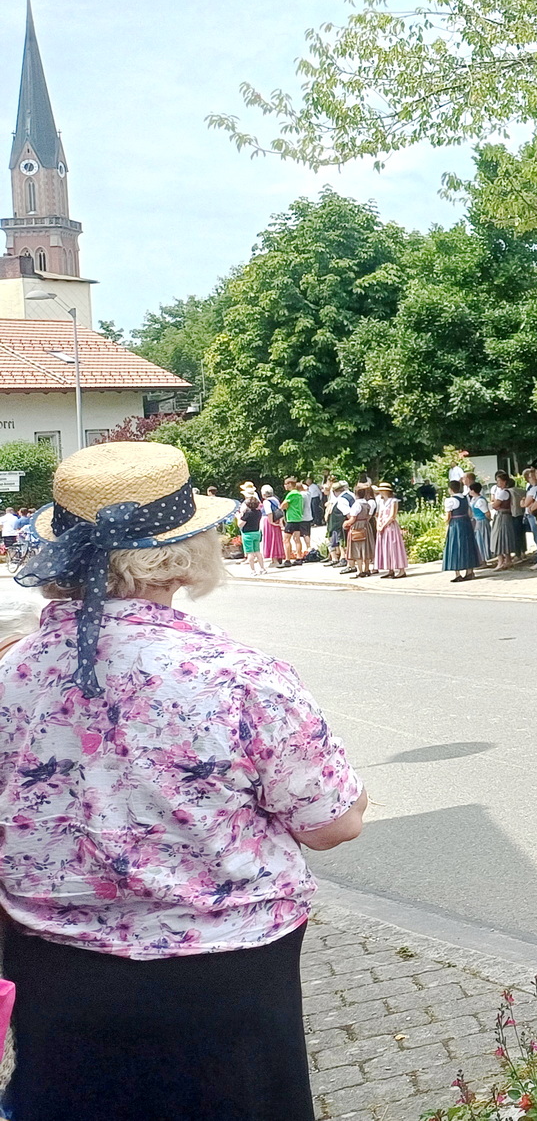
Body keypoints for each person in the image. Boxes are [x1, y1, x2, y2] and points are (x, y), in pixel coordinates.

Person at [0, 441, 366, 1120]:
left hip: (54, 971)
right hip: (223, 975)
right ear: (181, 553)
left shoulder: (11, 673)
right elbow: (333, 824)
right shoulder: (237, 675)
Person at [440, 477, 480, 583]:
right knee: (467, 545)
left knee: (455, 546)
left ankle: (457, 573)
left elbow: (448, 516)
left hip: (456, 523)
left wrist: (445, 522)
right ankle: (470, 571)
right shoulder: (465, 498)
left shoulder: (450, 500)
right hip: (466, 522)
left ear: (450, 489)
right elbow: (470, 513)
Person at [488, 469, 523, 570]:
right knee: (504, 537)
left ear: (504, 481)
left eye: (499, 480)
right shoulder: (505, 492)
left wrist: (494, 505)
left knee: (499, 536)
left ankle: (501, 561)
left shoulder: (503, 492)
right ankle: (507, 560)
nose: (497, 482)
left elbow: (495, 505)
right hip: (505, 515)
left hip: (502, 516)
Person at [372, 481, 408, 579]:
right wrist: (378, 524)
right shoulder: (381, 502)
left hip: (390, 527)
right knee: (385, 547)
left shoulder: (393, 501)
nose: (380, 492)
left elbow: (392, 516)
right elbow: (379, 514)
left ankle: (401, 570)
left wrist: (383, 525)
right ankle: (390, 569)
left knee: (394, 546)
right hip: (382, 527)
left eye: (381, 491)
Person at [345, 482, 377, 577]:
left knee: (357, 548)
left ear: (356, 494)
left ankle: (360, 570)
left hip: (358, 526)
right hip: (366, 526)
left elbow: (353, 518)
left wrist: (346, 523)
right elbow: (368, 516)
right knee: (366, 548)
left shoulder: (356, 504)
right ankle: (367, 569)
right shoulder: (367, 504)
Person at [467, 475, 491, 564]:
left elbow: (487, 513)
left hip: (481, 521)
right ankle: (481, 559)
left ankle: (483, 559)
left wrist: (488, 519)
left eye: (470, 490)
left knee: (482, 540)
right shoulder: (474, 499)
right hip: (477, 521)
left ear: (473, 491)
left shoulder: (480, 501)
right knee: (478, 540)